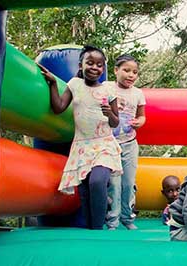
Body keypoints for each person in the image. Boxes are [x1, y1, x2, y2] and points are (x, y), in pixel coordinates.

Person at [38, 45, 122, 230]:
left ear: (103, 68)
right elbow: (59, 107)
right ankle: (90, 231)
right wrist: (52, 83)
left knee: (98, 181)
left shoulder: (109, 90)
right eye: (90, 63)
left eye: (99, 65)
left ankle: (98, 229)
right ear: (81, 64)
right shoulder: (75, 84)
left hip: (104, 144)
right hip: (82, 145)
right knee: (84, 190)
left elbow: (116, 123)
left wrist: (109, 114)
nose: (94, 67)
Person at [105, 54, 146, 230]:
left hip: (130, 143)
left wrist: (140, 122)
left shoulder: (138, 93)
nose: (131, 75)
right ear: (116, 70)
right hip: (110, 143)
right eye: (126, 70)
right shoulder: (106, 87)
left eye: (135, 72)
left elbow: (142, 115)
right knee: (114, 183)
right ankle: (112, 220)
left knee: (128, 183)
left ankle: (127, 218)